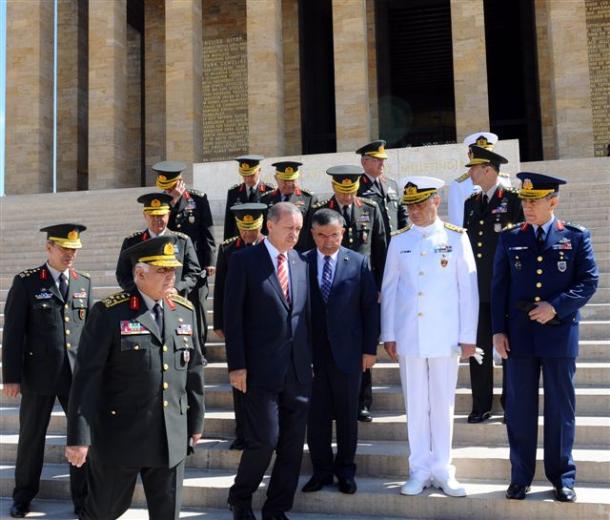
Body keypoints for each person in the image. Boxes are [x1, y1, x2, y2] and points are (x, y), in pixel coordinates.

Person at [65, 235, 205, 519]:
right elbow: (87, 378)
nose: (171, 276)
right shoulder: (109, 313)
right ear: (140, 273)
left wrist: (196, 421)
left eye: (173, 269)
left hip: (170, 435)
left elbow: (193, 370)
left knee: (167, 513)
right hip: (120, 437)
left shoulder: (184, 312)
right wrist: (79, 436)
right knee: (103, 511)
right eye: (162, 270)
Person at [491, 172, 598, 503]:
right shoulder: (510, 238)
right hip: (520, 338)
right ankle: (520, 477)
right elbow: (499, 289)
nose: (528, 207)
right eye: (524, 201)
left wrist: (557, 307)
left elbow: (588, 281)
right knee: (520, 409)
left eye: (534, 201)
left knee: (560, 410)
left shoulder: (576, 237)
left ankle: (562, 477)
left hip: (559, 335)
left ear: (553, 201)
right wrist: (497, 330)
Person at [381, 177, 479, 497]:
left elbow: (468, 290)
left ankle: (443, 469)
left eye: (421, 204)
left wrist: (468, 335)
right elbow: (391, 290)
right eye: (410, 206)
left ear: (436, 201)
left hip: (445, 336)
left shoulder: (455, 237)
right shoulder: (399, 240)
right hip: (410, 335)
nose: (415, 212)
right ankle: (419, 469)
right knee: (415, 404)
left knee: (442, 402)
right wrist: (389, 333)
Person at [224, 202, 312, 520]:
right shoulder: (244, 261)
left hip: (298, 371)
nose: (295, 234)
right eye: (289, 228)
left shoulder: (302, 262)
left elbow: (306, 317)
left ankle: (276, 508)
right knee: (264, 440)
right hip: (259, 372)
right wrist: (236, 366)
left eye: (299, 229)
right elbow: (232, 318)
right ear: (270, 226)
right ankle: (240, 498)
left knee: (291, 447)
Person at [2, 224, 90, 518]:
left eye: (74, 249)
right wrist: (11, 376)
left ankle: (83, 498)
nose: (70, 254)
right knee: (31, 437)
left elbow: (89, 334)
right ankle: (23, 496)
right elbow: (13, 332)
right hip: (38, 373)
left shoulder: (83, 282)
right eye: (65, 248)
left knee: (80, 435)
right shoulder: (27, 282)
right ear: (49, 247)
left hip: (75, 375)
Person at [301, 208, 379, 496]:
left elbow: (370, 309)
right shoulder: (302, 262)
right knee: (317, 418)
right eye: (321, 236)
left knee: (348, 417)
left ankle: (346, 471)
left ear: (343, 233)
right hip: (313, 356)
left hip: (349, 353)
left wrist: (370, 350)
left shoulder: (358, 262)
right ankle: (321, 471)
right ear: (312, 234)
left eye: (333, 235)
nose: (328, 241)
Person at [310, 165, 387, 423]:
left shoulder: (370, 208)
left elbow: (379, 248)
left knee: (360, 346)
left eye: (351, 192)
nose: (346, 197)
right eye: (342, 193)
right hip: (331, 282)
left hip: (361, 284)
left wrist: (379, 287)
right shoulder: (321, 211)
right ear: (334, 188)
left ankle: (362, 402)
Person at [462, 146, 523, 423]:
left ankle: (511, 404)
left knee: (508, 347)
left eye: (474, 168)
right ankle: (481, 404)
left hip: (506, 288)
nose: (470, 173)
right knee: (479, 350)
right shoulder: (471, 202)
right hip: (478, 288)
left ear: (488, 169)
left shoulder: (513, 200)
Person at [214, 203, 267, 451]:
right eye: (244, 230)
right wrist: (219, 322)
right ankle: (242, 431)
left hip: (262, 325)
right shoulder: (228, 249)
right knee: (238, 380)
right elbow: (221, 287)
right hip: (237, 325)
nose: (248, 235)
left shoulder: (269, 246)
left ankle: (260, 430)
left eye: (252, 230)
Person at [153, 160, 216, 350]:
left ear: (179, 181)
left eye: (172, 186)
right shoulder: (160, 201)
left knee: (197, 308)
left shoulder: (197, 198)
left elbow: (208, 230)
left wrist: (210, 261)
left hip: (195, 264)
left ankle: (199, 349)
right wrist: (172, 202)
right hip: (170, 262)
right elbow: (161, 227)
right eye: (166, 188)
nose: (169, 190)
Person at [115, 193, 202, 296]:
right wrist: (140, 292)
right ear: (145, 215)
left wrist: (177, 289)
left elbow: (193, 273)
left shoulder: (182, 241)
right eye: (152, 215)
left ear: (168, 214)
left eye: (161, 215)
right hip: (142, 304)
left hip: (172, 301)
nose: (157, 219)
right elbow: (122, 274)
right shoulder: (131, 242)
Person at [447, 132, 512, 226]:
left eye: (488, 154)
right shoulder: (459, 185)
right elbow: (457, 222)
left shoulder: (504, 180)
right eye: (479, 154)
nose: (485, 157)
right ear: (469, 156)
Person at [356, 139, 408, 238]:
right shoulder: (357, 187)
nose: (382, 164)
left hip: (394, 243)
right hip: (372, 244)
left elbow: (402, 215)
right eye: (377, 160)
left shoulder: (392, 184)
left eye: (383, 160)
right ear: (364, 162)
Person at [261, 161, 317, 252]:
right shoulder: (266, 199)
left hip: (299, 251)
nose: (289, 184)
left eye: (292, 180)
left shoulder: (308, 198)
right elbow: (263, 229)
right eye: (285, 181)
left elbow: (312, 230)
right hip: (273, 251)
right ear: (276, 178)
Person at [223, 155, 274, 240]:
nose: (248, 179)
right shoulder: (233, 192)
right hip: (240, 241)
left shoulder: (270, 191)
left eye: (251, 175)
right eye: (244, 175)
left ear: (259, 170)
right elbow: (229, 222)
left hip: (261, 242)